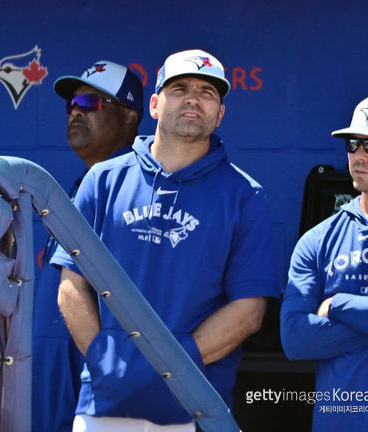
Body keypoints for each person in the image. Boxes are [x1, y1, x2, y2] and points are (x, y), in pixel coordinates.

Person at [51, 49, 279, 430]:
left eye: (208, 92)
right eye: (180, 88)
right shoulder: (103, 181)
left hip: (193, 408)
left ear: (220, 114)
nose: (193, 98)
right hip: (104, 404)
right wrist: (103, 358)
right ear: (155, 105)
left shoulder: (243, 195)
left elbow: (249, 310)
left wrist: (171, 367)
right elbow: (71, 284)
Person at [32, 61, 144, 431]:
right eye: (72, 103)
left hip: (96, 382)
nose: (77, 109)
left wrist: (103, 366)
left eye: (91, 102)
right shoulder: (83, 186)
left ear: (129, 117)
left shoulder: (139, 192)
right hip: (54, 375)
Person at [280, 94, 368, 431]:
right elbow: (295, 339)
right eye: (352, 144)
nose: (359, 157)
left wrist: (339, 304)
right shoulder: (317, 240)